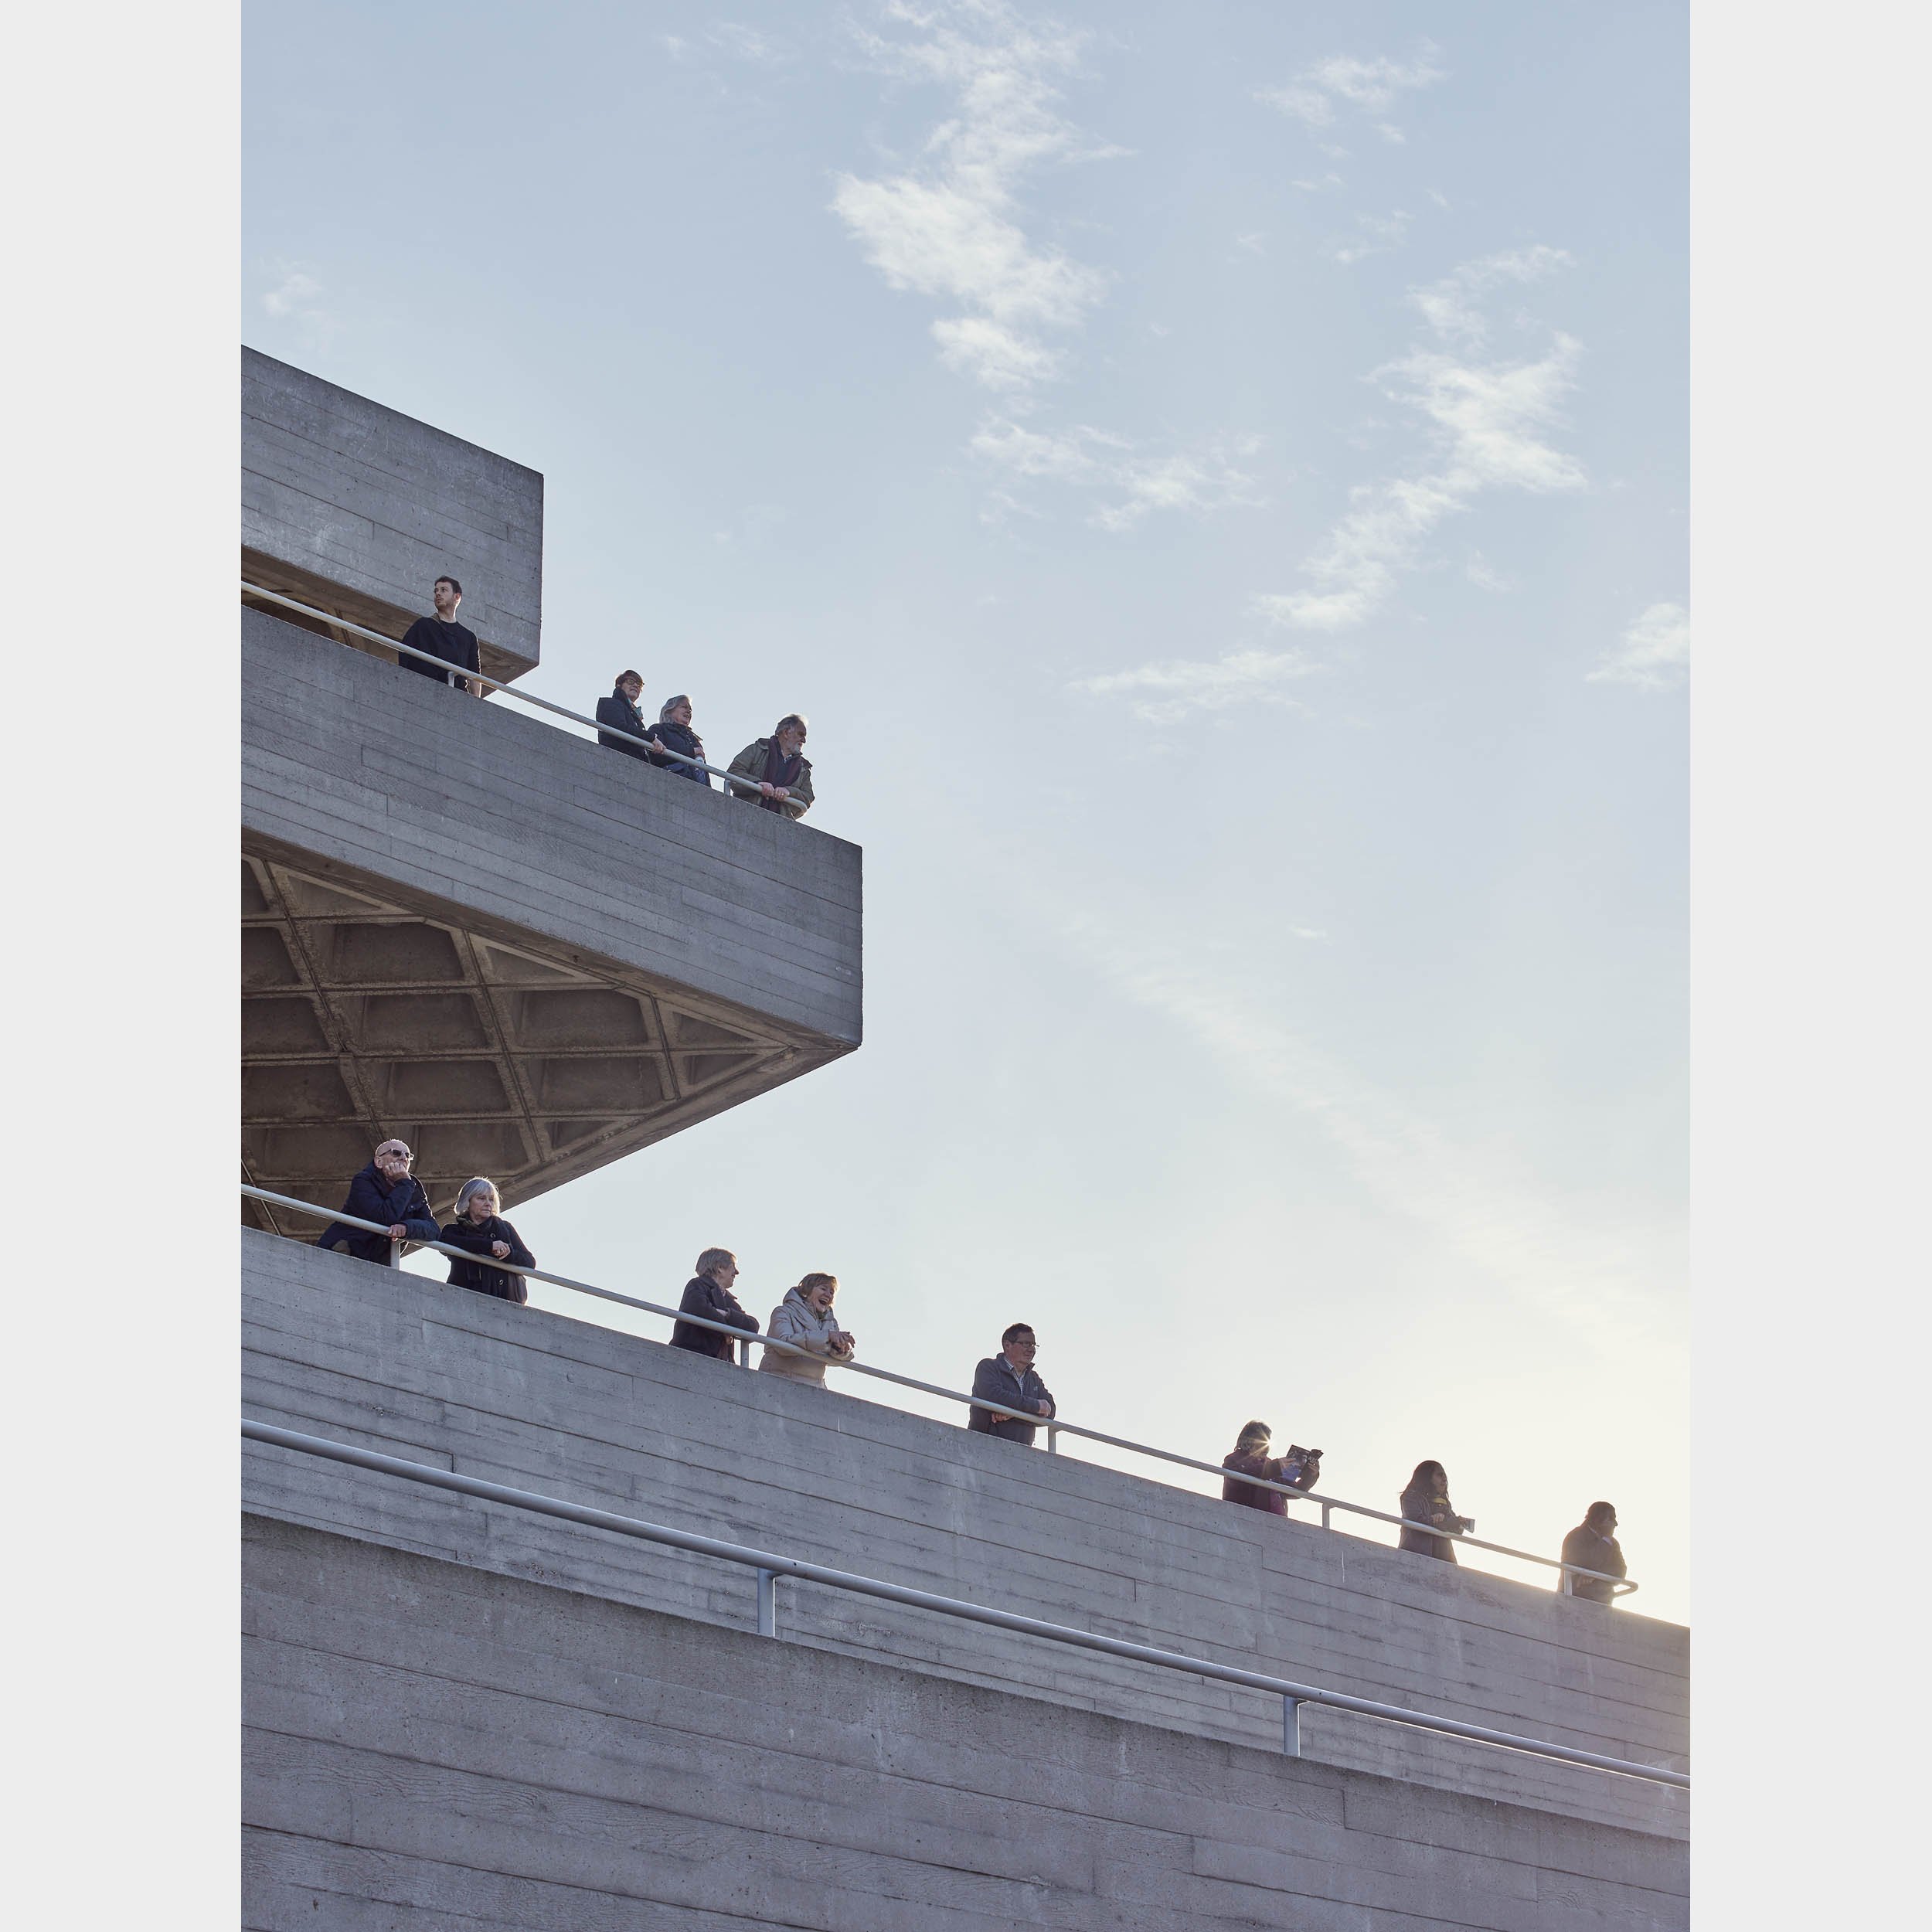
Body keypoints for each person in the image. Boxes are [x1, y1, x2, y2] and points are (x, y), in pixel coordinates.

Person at [316, 1139, 440, 1264]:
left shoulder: (413, 1187)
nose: (404, 1158)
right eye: (396, 1153)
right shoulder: (363, 1180)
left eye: (408, 1155)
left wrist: (407, 1227)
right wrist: (404, 1185)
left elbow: (434, 1230)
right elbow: (383, 1218)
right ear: (378, 1162)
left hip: (378, 1263)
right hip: (342, 1255)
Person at [438, 1177, 536, 1304]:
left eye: (491, 1199)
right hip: (463, 1301)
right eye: (481, 1198)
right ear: (467, 1201)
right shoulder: (453, 1231)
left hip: (504, 1302)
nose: (488, 1203)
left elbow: (530, 1262)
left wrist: (509, 1254)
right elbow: (445, 1244)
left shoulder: (505, 1227)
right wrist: (490, 1246)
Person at [759, 1272, 856, 1384]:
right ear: (807, 1291)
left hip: (815, 1389)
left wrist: (840, 1349)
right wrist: (827, 1336)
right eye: (823, 1289)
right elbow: (782, 1345)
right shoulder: (783, 1312)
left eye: (832, 1292)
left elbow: (832, 1360)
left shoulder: (832, 1324)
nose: (828, 1295)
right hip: (778, 1382)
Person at [968, 1324, 1056, 1446]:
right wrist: (1035, 1406)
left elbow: (1050, 1411)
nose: (1031, 1349)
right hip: (982, 1447)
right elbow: (994, 1396)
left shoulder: (1034, 1378)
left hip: (1023, 1456)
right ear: (1007, 1345)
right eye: (1026, 1344)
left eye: (1033, 1345)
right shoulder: (988, 1367)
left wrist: (1012, 1413)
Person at [670, 1247, 760, 1360]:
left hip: (718, 1363)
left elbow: (753, 1326)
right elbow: (699, 1309)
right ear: (720, 1268)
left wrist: (727, 1314)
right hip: (691, 1357)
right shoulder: (696, 1285)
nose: (736, 1273)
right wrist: (727, 1329)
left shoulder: (728, 1299)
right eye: (733, 1267)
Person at [398, 575, 482, 695]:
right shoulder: (423, 625)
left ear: (457, 597)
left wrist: (476, 706)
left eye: (444, 590)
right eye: (436, 591)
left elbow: (475, 676)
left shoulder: (469, 637)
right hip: (425, 691)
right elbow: (405, 658)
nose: (438, 594)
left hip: (457, 697)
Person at [1220, 1421, 1321, 1515]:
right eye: (1262, 1438)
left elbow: (1294, 1490)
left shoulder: (1269, 1463)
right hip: (1246, 1518)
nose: (1265, 1443)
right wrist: (1275, 1466)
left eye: (1267, 1439)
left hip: (1277, 1524)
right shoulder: (1234, 1459)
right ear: (1249, 1439)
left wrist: (1310, 1475)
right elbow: (1243, 1476)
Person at [726, 714, 814, 819]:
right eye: (800, 734)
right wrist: (758, 784)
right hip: (745, 816)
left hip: (780, 826)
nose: (804, 740)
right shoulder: (757, 750)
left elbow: (808, 797)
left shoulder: (803, 769)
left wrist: (789, 792)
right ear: (786, 732)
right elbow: (733, 772)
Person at [1398, 1460, 1474, 1563]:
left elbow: (1456, 1530)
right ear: (1426, 1477)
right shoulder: (1410, 1497)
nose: (1444, 1479)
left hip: (1444, 1561)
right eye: (1440, 1475)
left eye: (1445, 1475)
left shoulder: (1444, 1503)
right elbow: (1417, 1521)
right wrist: (1438, 1520)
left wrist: (1458, 1522)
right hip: (1414, 1557)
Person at [1560, 1502, 1627, 1604]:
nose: (1616, 1523)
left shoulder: (1613, 1543)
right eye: (1612, 1518)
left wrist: (1595, 1574)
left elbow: (1620, 1572)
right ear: (1598, 1518)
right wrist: (1605, 1541)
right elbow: (1587, 1562)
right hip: (1575, 1601)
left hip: (1604, 1604)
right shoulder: (1576, 1537)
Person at [650, 694, 712, 787]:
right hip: (670, 783)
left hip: (698, 789)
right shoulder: (659, 729)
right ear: (669, 710)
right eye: (684, 707)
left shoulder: (693, 739)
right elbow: (656, 756)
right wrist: (691, 752)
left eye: (690, 710)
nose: (688, 711)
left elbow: (703, 770)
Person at [594, 670, 657, 760]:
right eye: (631, 682)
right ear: (619, 685)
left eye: (639, 684)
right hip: (617, 759)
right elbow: (619, 727)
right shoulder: (611, 703)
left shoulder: (633, 714)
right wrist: (651, 737)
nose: (636, 685)